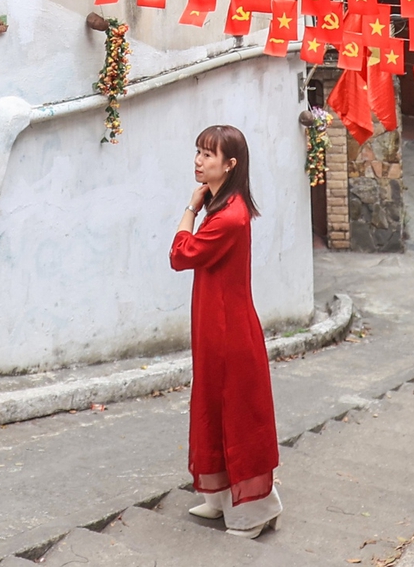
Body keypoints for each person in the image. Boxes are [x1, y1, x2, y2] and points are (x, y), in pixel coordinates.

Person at [169, 123, 282, 538]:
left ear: (229, 165)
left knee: (238, 415)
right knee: (211, 408)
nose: (199, 161)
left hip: (230, 333)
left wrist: (189, 209)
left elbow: (180, 255)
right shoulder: (225, 206)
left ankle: (255, 511)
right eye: (198, 151)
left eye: (208, 155)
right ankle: (220, 499)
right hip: (214, 328)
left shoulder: (228, 217)